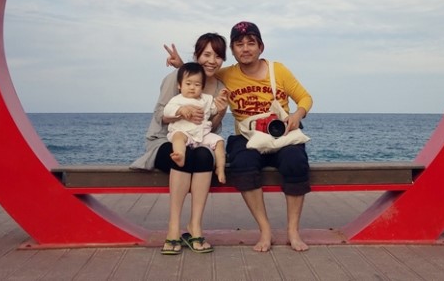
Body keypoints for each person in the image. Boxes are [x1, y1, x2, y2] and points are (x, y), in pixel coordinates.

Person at [166, 21, 313, 252]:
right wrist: (181, 65)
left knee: (295, 162)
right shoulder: (228, 74)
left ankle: (293, 231)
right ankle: (265, 230)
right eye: (239, 44)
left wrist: (297, 115)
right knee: (242, 164)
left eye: (251, 43)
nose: (245, 48)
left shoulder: (278, 70)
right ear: (232, 51)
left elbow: (305, 98)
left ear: (261, 47)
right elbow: (202, 72)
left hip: (280, 133)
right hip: (246, 135)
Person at [131, 33, 229, 255]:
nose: (212, 61)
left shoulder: (218, 88)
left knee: (203, 156)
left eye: (218, 56)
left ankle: (195, 225)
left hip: (198, 139)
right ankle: (173, 227)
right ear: (197, 55)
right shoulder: (177, 77)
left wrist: (221, 112)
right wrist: (180, 113)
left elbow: (211, 129)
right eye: (206, 54)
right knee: (184, 155)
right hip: (166, 139)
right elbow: (160, 114)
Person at [164, 62, 227, 184]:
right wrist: (180, 110)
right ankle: (180, 155)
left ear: (202, 87)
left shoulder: (207, 99)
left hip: (202, 134)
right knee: (177, 137)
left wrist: (220, 99)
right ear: (179, 85)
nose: (192, 87)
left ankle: (220, 168)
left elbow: (214, 109)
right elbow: (167, 111)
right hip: (184, 133)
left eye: (197, 84)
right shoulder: (177, 100)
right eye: (188, 84)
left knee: (219, 141)